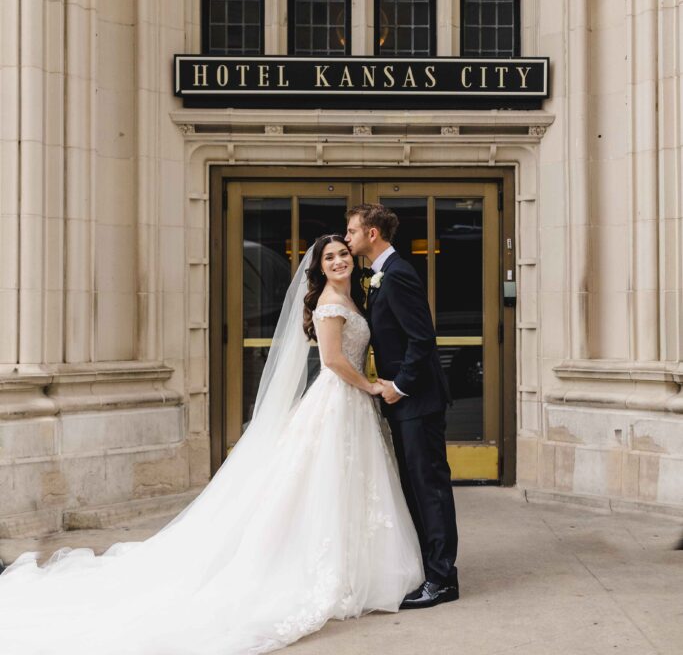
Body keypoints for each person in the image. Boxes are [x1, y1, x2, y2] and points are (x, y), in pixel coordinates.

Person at [0, 235, 423, 655]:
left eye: (343, 254)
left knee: (347, 484)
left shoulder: (353, 298)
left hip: (349, 405)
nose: (337, 261)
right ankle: (323, 570)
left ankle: (354, 568)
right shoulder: (330, 302)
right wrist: (369, 385)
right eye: (329, 257)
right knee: (323, 482)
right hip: (338, 400)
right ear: (319, 267)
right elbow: (332, 361)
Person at [345, 203, 459, 610]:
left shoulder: (399, 276)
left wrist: (400, 386)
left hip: (418, 402)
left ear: (372, 233)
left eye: (352, 231)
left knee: (430, 489)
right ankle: (432, 570)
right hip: (403, 403)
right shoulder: (382, 276)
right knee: (415, 486)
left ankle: (443, 580)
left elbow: (422, 338)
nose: (348, 237)